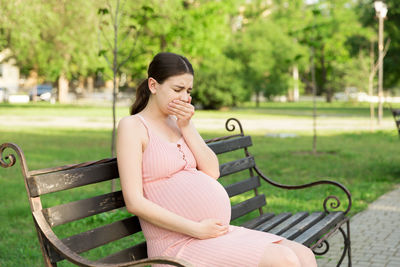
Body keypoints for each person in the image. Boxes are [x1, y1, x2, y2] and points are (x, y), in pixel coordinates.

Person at [116, 52, 317, 267]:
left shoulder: (178, 123)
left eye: (188, 91)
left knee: (304, 255)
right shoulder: (133, 127)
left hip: (214, 235)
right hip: (178, 245)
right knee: (284, 260)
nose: (185, 97)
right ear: (153, 85)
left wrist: (187, 126)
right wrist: (196, 229)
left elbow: (212, 172)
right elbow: (134, 202)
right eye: (177, 89)